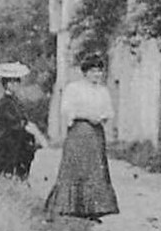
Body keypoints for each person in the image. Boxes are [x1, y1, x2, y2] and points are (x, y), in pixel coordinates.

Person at [44, 55, 120, 221]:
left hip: (96, 132)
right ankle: (69, 207)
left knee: (95, 168)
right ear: (85, 72)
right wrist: (87, 115)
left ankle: (93, 209)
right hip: (79, 130)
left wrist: (101, 117)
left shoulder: (103, 91)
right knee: (77, 166)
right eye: (93, 71)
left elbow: (109, 111)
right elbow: (66, 109)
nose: (97, 75)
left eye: (99, 71)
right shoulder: (74, 88)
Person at [0, 61, 45, 179]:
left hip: (18, 142)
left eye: (18, 81)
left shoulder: (16, 102)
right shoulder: (4, 103)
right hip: (8, 143)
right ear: (8, 84)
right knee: (7, 172)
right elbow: (13, 122)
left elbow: (23, 119)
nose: (18, 85)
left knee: (20, 170)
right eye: (15, 82)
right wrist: (29, 128)